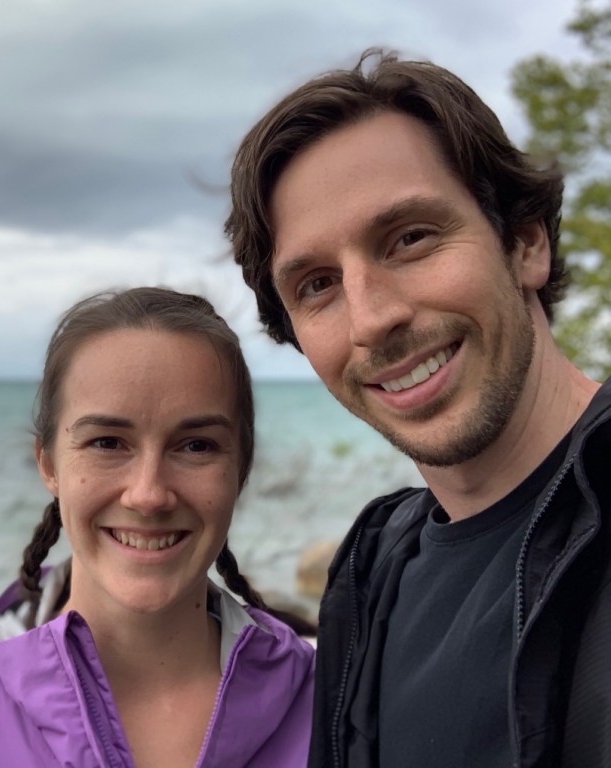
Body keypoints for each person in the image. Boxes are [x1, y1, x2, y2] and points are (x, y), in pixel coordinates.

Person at [225, 49, 611, 768]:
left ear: (525, 242)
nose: (371, 319)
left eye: (409, 239)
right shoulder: (373, 573)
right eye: (316, 285)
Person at [0, 287, 315, 767]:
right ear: (48, 463)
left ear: (240, 467)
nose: (149, 494)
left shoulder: (337, 710)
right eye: (107, 443)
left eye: (196, 446)